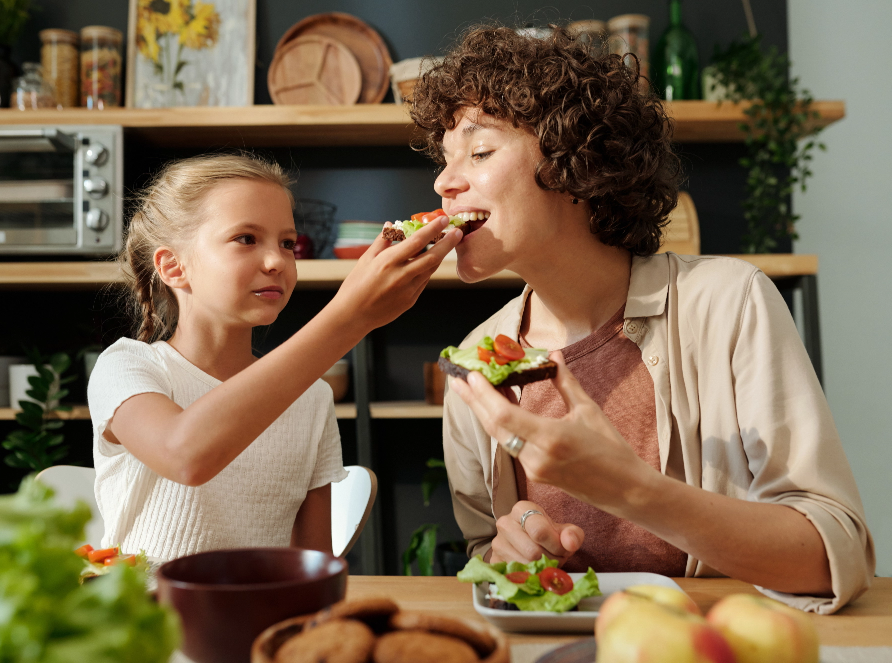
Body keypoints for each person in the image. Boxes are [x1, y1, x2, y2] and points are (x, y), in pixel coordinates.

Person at [410, 25, 874, 613]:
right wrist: (513, 544)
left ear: (574, 161)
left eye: (479, 152)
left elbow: (833, 555)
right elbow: (490, 556)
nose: (443, 184)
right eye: (444, 161)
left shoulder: (729, 304)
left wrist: (630, 489)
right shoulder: (477, 360)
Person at [88, 154, 461, 561]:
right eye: (246, 239)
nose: (277, 261)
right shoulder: (126, 367)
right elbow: (185, 456)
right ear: (173, 267)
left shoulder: (312, 398)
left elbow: (313, 566)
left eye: (287, 243)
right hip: (143, 620)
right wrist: (348, 319)